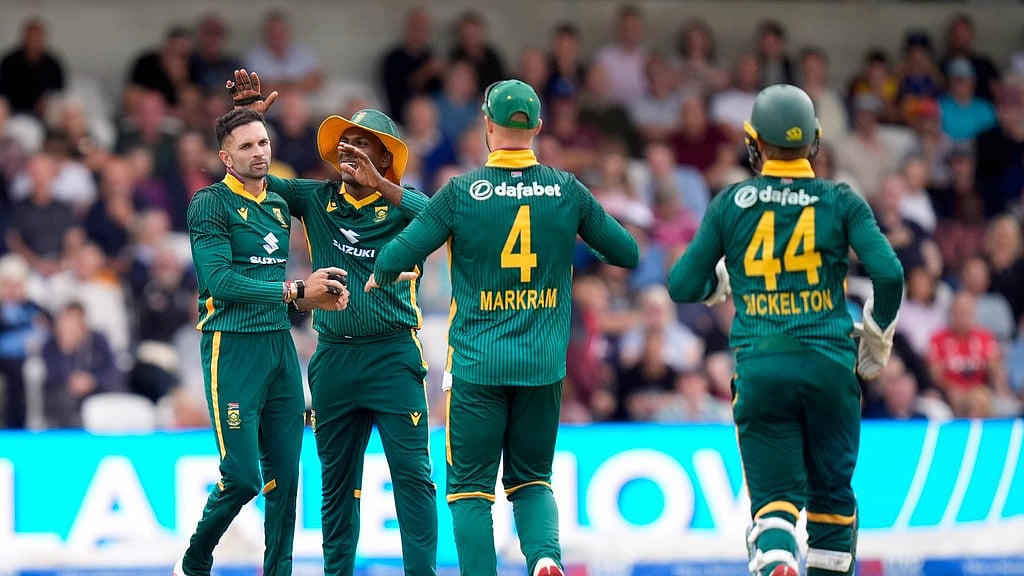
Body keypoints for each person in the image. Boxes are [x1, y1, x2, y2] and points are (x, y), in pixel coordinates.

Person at [368, 79, 640, 576]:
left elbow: (397, 254)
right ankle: (544, 560)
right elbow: (626, 252)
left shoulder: (460, 193)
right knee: (533, 480)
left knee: (470, 490)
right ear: (536, 127)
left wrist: (386, 273)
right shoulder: (566, 189)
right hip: (542, 363)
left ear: (487, 125)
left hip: (476, 364)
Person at [667, 84, 904, 576]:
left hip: (762, 367)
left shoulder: (733, 201)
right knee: (833, 504)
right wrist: (877, 339)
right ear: (815, 141)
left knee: (773, 504)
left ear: (754, 142)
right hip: (829, 365)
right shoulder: (841, 199)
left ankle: (776, 557)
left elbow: (682, 283)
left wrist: (718, 284)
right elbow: (890, 274)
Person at [229, 68, 437, 576]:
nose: (350, 151)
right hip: (334, 360)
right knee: (337, 488)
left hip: (394, 357)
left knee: (413, 479)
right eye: (346, 142)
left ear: (386, 158)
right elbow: (245, 182)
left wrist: (383, 186)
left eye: (364, 144)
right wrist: (246, 125)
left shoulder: (406, 210)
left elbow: (442, 217)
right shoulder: (316, 200)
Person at [174, 103, 349, 576]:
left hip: (279, 349)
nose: (259, 153)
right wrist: (295, 291)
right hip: (231, 348)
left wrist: (365, 160)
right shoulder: (209, 203)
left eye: (264, 142)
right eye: (246, 146)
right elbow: (220, 282)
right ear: (225, 159)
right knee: (242, 478)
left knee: (285, 480)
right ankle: (192, 563)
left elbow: (338, 191)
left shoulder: (279, 194)